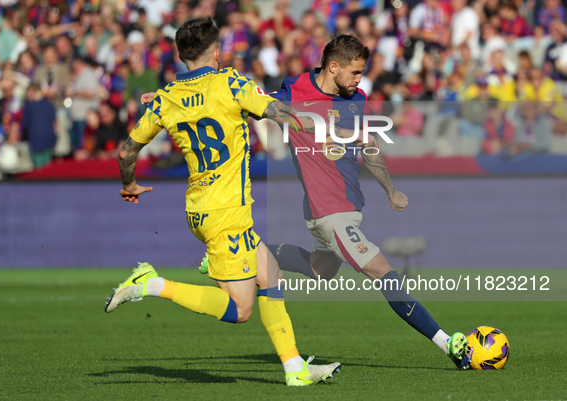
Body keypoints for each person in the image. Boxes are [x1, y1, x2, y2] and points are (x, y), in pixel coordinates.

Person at [198, 34, 471, 369]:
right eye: (355, 73)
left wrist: (389, 190)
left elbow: (367, 146)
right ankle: (449, 344)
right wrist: (176, 102)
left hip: (346, 208)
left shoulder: (357, 99)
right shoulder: (293, 92)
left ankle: (241, 255)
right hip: (330, 213)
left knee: (319, 269)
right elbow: (242, 103)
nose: (360, 80)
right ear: (333, 66)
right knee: (384, 273)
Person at [105, 16, 341, 387]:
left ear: (182, 55)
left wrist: (130, 184)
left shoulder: (166, 98)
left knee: (271, 274)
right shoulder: (231, 84)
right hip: (225, 213)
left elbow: (125, 152)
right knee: (240, 309)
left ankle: (295, 368)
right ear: (216, 51)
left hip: (200, 208)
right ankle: (152, 283)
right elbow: (281, 112)